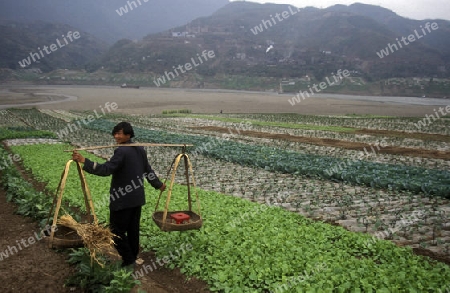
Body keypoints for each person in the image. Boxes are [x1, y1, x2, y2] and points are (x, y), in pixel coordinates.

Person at [72, 121, 166, 268]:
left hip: (122, 199)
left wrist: (85, 161)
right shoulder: (139, 149)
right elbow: (148, 171)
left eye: (119, 134)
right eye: (115, 133)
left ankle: (128, 260)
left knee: (115, 231)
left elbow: (107, 169)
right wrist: (158, 184)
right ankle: (133, 256)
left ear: (128, 135)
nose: (116, 136)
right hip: (136, 199)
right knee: (132, 230)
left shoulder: (122, 151)